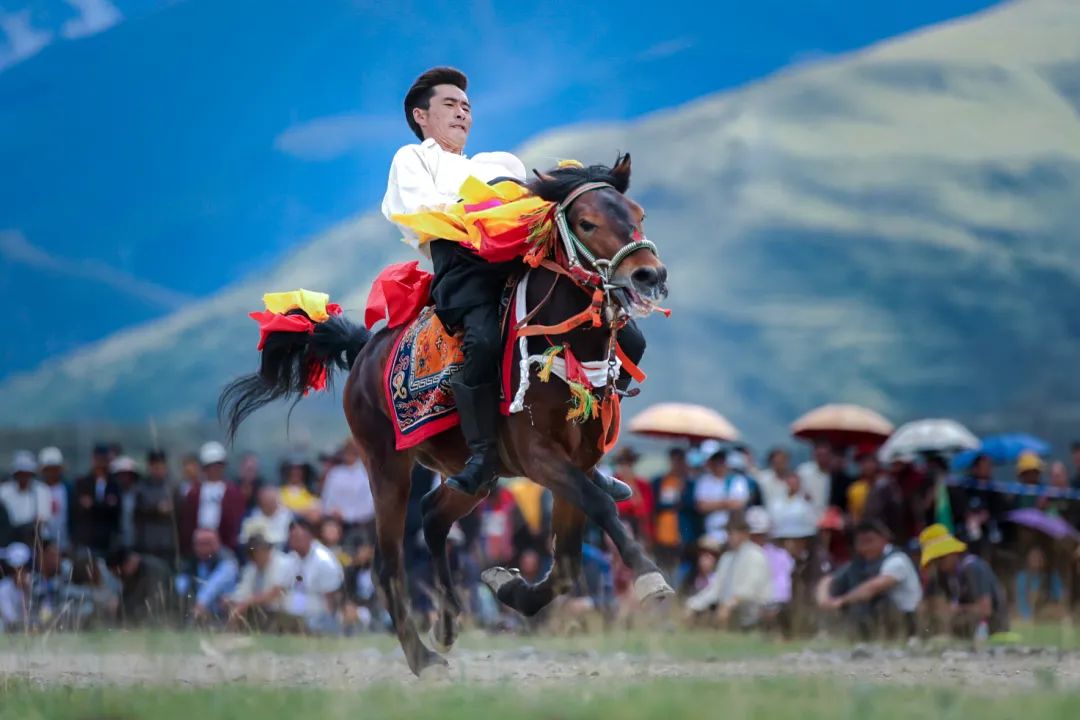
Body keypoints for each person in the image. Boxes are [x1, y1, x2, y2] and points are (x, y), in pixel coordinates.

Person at [381, 67, 632, 502]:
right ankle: (480, 457)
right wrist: (492, 204)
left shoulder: (497, 163)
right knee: (482, 339)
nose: (462, 113)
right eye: (449, 105)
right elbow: (424, 210)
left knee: (615, 329)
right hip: (463, 269)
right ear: (421, 116)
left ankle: (590, 457)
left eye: (466, 106)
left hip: (518, 264)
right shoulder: (412, 158)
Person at [817, 520, 922, 640]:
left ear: (884, 539)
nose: (866, 547)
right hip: (875, 617)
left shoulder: (897, 560)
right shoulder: (860, 562)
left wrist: (841, 601)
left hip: (904, 617)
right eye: (861, 542)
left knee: (877, 602)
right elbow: (829, 579)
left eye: (870, 541)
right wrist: (824, 600)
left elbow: (871, 588)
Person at [684, 511, 772, 629]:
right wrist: (693, 604)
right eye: (728, 532)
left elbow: (750, 590)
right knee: (695, 611)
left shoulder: (755, 555)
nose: (728, 536)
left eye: (732, 532)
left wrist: (729, 604)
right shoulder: (727, 557)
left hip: (751, 613)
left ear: (744, 534)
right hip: (728, 610)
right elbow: (716, 588)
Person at [918, 523, 1008, 638]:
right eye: (934, 561)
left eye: (941, 558)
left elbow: (986, 610)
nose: (938, 564)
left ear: (953, 553)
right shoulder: (945, 574)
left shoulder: (973, 568)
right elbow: (924, 606)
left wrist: (954, 610)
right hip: (964, 629)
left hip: (992, 629)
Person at [179, 442, 246, 555]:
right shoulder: (194, 492)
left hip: (224, 544)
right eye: (210, 466)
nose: (214, 469)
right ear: (204, 468)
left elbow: (236, 520)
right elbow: (187, 521)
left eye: (218, 465)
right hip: (198, 544)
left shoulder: (233, 491)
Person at [282, 519, 344, 633]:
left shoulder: (324, 561)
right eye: (293, 537)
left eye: (300, 537)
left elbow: (333, 598)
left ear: (310, 536)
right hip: (293, 615)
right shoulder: (291, 558)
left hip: (318, 617)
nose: (296, 541)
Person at [225, 534, 295, 631]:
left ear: (266, 550)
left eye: (260, 550)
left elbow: (275, 592)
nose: (258, 554)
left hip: (283, 614)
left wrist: (246, 603)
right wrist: (232, 601)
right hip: (260, 613)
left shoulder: (284, 563)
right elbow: (242, 592)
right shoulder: (251, 568)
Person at [176, 527, 238, 621]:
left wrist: (200, 603)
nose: (202, 548)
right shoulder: (191, 561)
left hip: (222, 613)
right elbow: (180, 583)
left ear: (217, 544)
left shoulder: (227, 561)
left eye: (206, 544)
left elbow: (213, 585)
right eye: (198, 544)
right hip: (196, 612)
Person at [320, 440, 375, 545]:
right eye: (347, 451)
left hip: (359, 524)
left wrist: (347, 515)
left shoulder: (365, 475)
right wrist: (332, 511)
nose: (349, 454)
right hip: (335, 523)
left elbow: (369, 506)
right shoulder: (335, 473)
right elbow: (326, 499)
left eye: (353, 451)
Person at [71, 444, 121, 555]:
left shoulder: (114, 484)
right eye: (99, 459)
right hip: (87, 538)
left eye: (104, 459)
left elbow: (115, 509)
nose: (101, 463)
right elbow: (78, 509)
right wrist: (105, 505)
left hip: (107, 540)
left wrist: (93, 505)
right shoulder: (83, 483)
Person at [694, 450, 752, 544]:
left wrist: (714, 504)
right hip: (712, 532)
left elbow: (739, 504)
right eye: (716, 463)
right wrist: (726, 503)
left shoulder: (737, 480)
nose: (719, 466)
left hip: (733, 533)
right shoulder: (704, 481)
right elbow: (701, 506)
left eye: (721, 463)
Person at [106, 547, 174, 625]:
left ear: (128, 564)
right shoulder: (130, 574)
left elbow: (156, 602)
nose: (119, 576)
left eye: (119, 573)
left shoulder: (154, 569)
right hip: (142, 617)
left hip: (162, 619)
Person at [134, 449, 178, 566]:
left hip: (168, 545)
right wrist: (157, 509)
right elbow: (138, 512)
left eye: (161, 465)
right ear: (149, 466)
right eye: (155, 466)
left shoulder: (173, 486)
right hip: (147, 545)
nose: (158, 469)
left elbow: (181, 511)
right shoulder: (141, 487)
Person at [653, 447, 691, 579]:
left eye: (679, 460)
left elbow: (691, 505)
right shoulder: (659, 482)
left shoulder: (689, 483)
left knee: (679, 567)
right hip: (662, 533)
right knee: (663, 566)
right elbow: (655, 505)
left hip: (681, 533)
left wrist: (683, 493)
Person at [0, 451, 52, 544]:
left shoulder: (42, 490)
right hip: (9, 538)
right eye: (20, 474)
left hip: (34, 538)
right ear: (15, 474)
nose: (23, 477)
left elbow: (42, 519)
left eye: (26, 474)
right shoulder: (4, 491)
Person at [612, 447, 654, 545]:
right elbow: (614, 507)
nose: (625, 467)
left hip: (638, 530)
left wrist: (634, 489)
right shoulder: (612, 483)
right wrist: (632, 504)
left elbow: (645, 509)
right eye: (622, 463)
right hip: (616, 528)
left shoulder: (642, 485)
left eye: (628, 463)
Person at [38, 447, 70, 551]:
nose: (51, 473)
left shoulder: (68, 489)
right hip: (42, 543)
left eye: (54, 469)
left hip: (65, 542)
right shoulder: (37, 490)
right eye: (48, 469)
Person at [111, 456, 139, 550]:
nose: (125, 478)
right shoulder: (113, 495)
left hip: (135, 541)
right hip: (116, 542)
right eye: (122, 475)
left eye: (128, 475)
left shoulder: (138, 494)